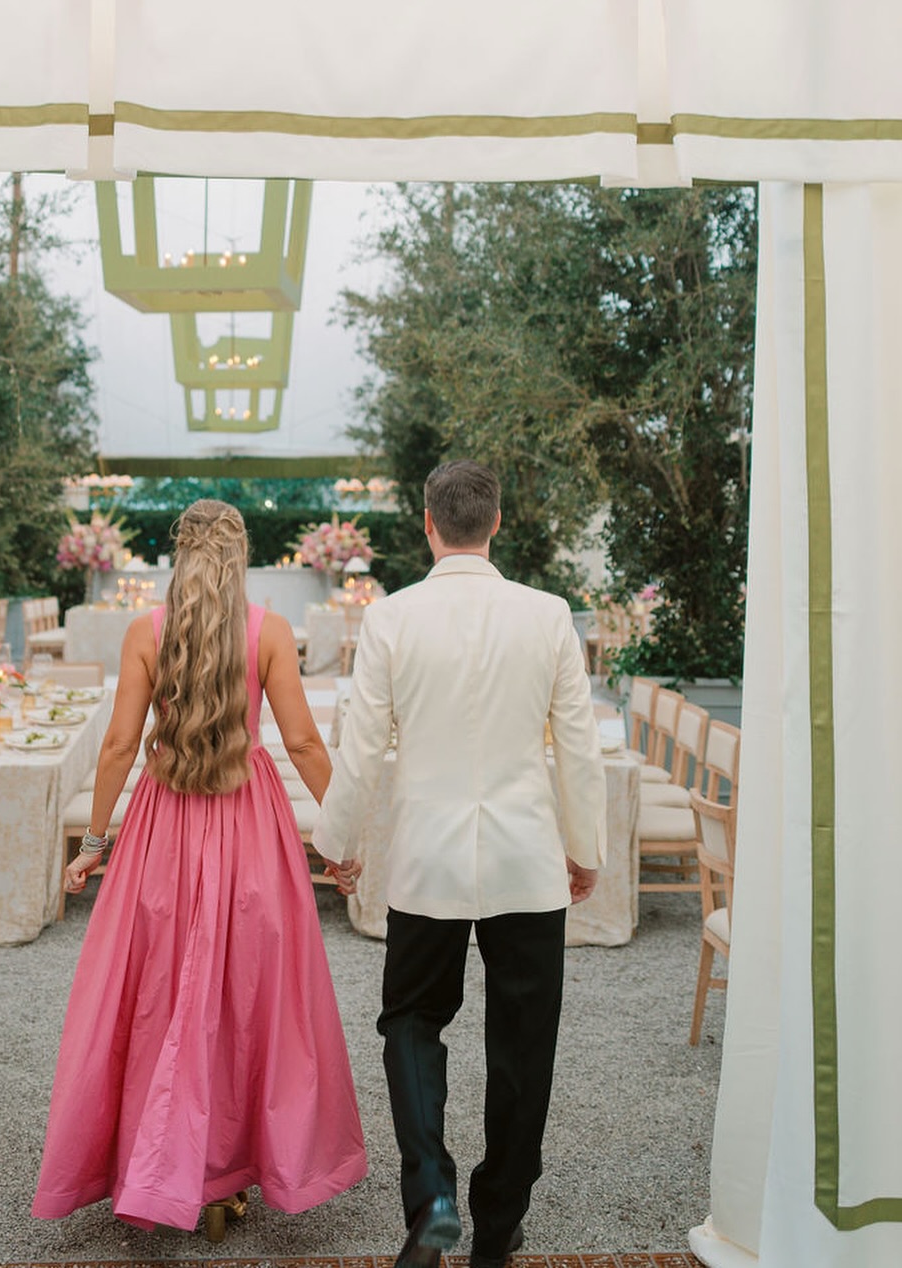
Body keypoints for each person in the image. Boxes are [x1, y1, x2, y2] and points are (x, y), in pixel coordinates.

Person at [32, 498, 367, 1235]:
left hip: (164, 827)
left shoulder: (146, 632)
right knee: (248, 995)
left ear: (177, 555)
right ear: (240, 554)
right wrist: (344, 843)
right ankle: (227, 1174)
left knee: (157, 991)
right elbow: (307, 747)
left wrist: (92, 846)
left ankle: (157, 1165)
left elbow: (119, 746)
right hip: (249, 824)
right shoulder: (269, 632)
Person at [313, 461, 606, 1268]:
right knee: (523, 1044)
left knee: (410, 1022)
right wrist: (585, 850)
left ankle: (431, 1197)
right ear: (497, 523)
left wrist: (338, 845)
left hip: (428, 863)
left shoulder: (391, 618)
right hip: (524, 863)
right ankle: (498, 1223)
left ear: (427, 525)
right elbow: (576, 748)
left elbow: (361, 746)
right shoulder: (548, 616)